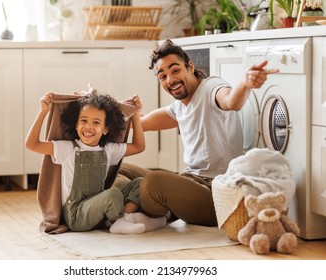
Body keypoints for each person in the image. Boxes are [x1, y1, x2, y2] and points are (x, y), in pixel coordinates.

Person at [116, 38, 279, 226]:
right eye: (163, 76)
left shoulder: (211, 88)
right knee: (120, 168)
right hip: (191, 181)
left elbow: (231, 102)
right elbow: (142, 124)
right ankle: (156, 211)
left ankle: (156, 214)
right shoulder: (179, 107)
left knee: (153, 182)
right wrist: (99, 117)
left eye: (175, 70)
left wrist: (245, 84)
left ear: (190, 67)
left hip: (217, 192)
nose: (171, 80)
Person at [25, 92, 166, 234]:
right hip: (76, 215)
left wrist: (135, 116)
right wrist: (43, 112)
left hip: (100, 206)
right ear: (75, 124)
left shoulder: (108, 149)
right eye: (83, 120)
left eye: (96, 122)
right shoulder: (66, 148)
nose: (88, 127)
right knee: (113, 194)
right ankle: (120, 221)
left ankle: (124, 219)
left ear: (105, 129)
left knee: (140, 182)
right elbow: (32, 144)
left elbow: (138, 146)